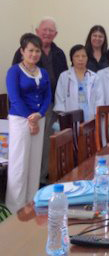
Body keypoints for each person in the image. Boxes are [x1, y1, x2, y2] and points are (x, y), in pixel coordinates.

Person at [12, 18, 67, 185]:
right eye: (45, 30)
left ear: (56, 34)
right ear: (37, 31)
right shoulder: (21, 53)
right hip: (24, 111)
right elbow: (16, 87)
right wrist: (30, 115)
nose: (48, 33)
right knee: (23, 151)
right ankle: (22, 186)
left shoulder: (59, 53)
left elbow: (63, 79)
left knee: (44, 146)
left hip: (47, 105)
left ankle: (40, 179)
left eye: (51, 31)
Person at [6, 33, 51, 212]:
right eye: (30, 50)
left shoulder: (43, 72)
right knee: (19, 165)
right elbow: (14, 98)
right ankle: (15, 208)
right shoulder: (14, 71)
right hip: (20, 120)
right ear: (22, 51)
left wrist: (39, 115)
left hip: (38, 119)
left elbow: (48, 95)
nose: (34, 54)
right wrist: (30, 119)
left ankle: (31, 203)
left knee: (34, 163)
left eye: (37, 51)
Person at [54, 45, 101, 122]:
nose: (80, 59)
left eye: (83, 56)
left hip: (91, 116)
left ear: (87, 58)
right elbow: (59, 98)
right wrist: (63, 117)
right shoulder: (64, 76)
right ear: (72, 58)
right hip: (70, 116)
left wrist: (97, 115)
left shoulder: (95, 77)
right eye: (77, 56)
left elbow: (99, 99)